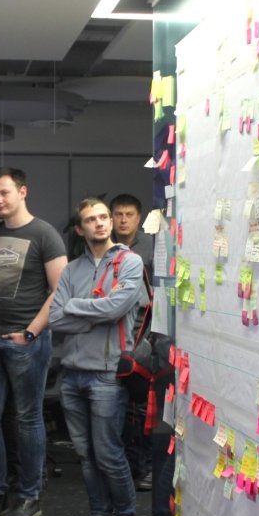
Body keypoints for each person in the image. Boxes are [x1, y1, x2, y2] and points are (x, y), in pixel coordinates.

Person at [0, 166, 67, 516]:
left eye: (4, 193)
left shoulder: (45, 234)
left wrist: (30, 332)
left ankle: (30, 496)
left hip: (26, 342)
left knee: (28, 419)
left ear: (22, 192)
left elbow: (60, 292)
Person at [49, 198, 144, 516]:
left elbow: (116, 309)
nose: (101, 223)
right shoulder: (72, 269)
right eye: (92, 219)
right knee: (86, 456)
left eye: (104, 217)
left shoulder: (129, 262)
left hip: (107, 374)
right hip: (73, 373)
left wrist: (75, 306)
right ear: (80, 229)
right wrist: (95, 313)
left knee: (107, 453)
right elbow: (55, 318)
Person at [109, 193, 155, 490]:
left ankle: (147, 467)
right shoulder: (106, 248)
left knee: (143, 405)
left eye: (129, 215)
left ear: (139, 218)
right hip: (113, 335)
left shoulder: (152, 248)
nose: (123, 220)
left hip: (145, 335)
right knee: (119, 406)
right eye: (118, 215)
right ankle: (126, 466)